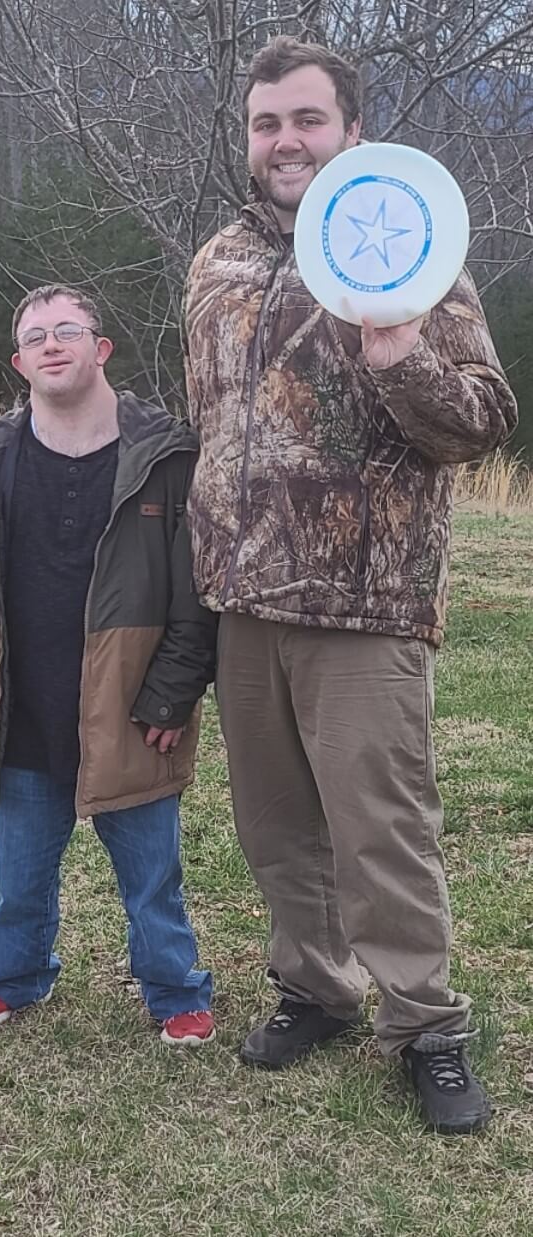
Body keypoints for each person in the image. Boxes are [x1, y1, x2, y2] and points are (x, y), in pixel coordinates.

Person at [183, 37, 518, 1131]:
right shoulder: (217, 263)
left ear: (351, 132)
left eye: (306, 120)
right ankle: (315, 990)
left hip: (365, 606)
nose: (284, 141)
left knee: (381, 831)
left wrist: (401, 357)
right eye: (266, 123)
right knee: (275, 828)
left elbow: (481, 420)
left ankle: (424, 1026)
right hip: (243, 602)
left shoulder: (412, 248)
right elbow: (210, 422)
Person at [0, 284, 217, 1046]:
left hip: (132, 707)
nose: (51, 345)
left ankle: (175, 989)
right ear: (18, 362)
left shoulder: (167, 458)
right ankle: (11, 975)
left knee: (152, 876)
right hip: (21, 706)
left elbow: (197, 588)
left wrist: (172, 690)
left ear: (101, 348)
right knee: (17, 873)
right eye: (35, 337)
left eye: (67, 330)